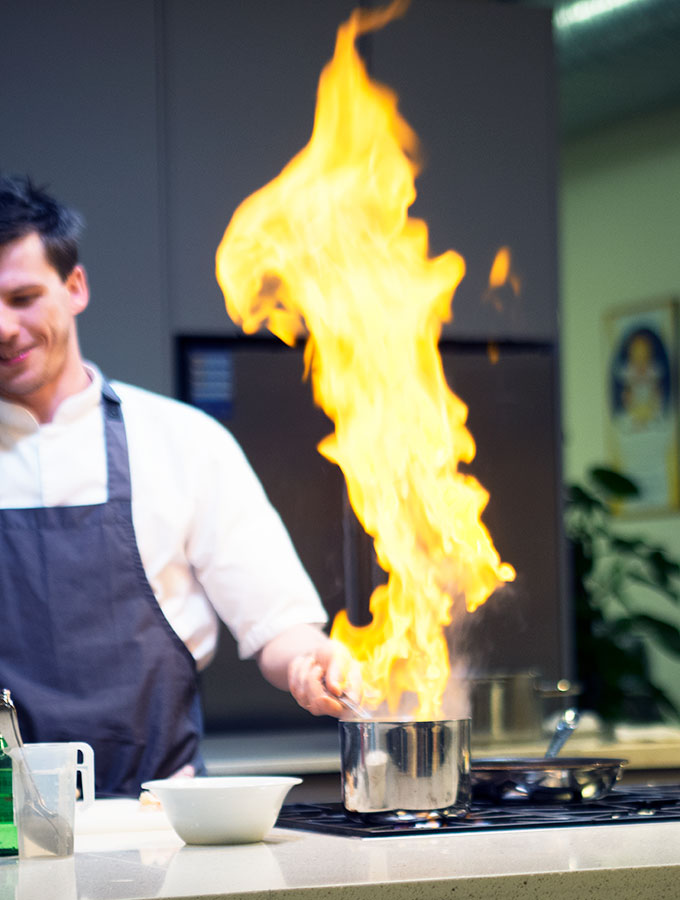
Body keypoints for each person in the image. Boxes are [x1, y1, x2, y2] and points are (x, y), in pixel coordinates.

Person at [0, 173, 358, 797]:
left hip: (161, 827)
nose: (4, 327)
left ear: (75, 287)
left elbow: (279, 627)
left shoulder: (182, 442)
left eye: (24, 297)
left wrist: (310, 662)